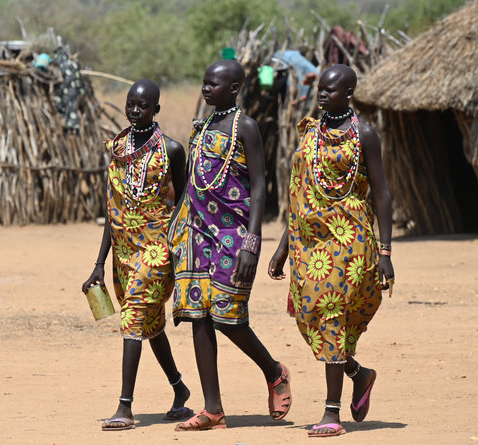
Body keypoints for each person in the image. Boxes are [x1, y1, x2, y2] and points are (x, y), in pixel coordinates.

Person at [268, 64, 395, 438]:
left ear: (349, 93)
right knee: (309, 321)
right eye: (320, 89)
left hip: (348, 243)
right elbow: (297, 195)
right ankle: (359, 374)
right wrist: (283, 248)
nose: (322, 95)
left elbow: (383, 194)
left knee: (332, 319)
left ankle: (331, 412)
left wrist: (385, 252)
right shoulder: (310, 133)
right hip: (308, 246)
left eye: (330, 90)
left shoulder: (364, 136)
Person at [168, 59, 292, 431]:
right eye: (204, 83)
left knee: (228, 316)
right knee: (197, 315)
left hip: (234, 235)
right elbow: (193, 180)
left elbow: (258, 188)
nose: (206, 89)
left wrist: (253, 242)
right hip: (194, 232)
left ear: (234, 88)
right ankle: (212, 409)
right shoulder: (200, 126)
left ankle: (274, 371)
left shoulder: (247, 128)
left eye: (213, 84)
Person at [81, 79, 192, 431]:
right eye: (130, 103)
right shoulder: (117, 148)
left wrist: (177, 246)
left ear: (156, 110)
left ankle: (124, 407)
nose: (134, 110)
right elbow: (112, 212)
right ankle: (180, 388)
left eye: (142, 105)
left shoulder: (172, 150)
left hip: (158, 251)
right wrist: (99, 263)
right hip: (124, 251)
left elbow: (186, 203)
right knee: (150, 324)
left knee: (133, 320)